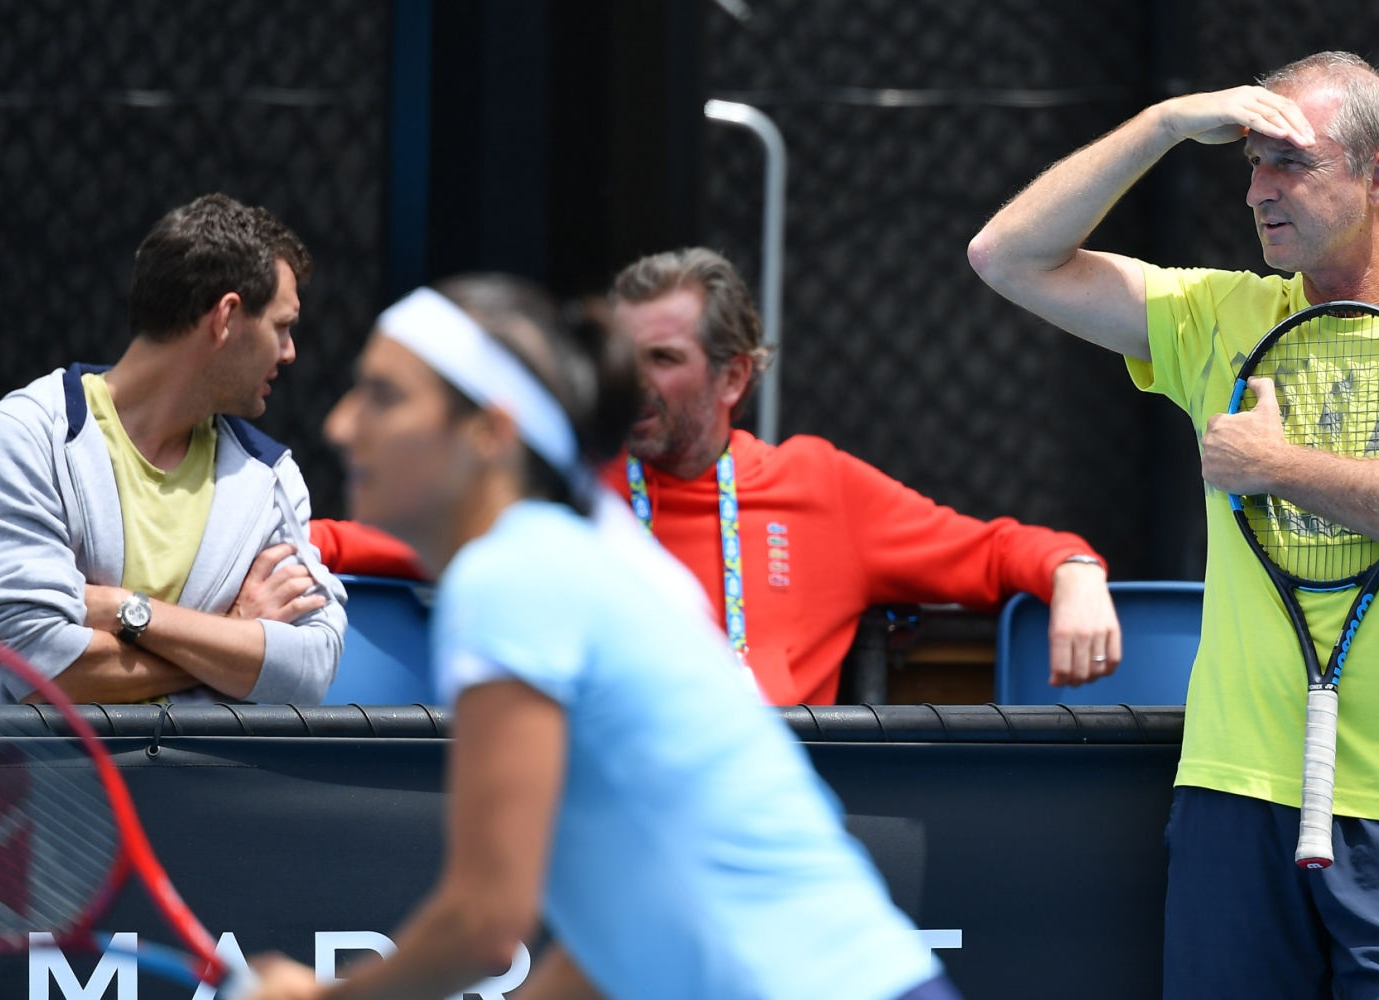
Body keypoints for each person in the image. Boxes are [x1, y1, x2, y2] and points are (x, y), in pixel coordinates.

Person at [968, 52, 1379, 998]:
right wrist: (1161, 121)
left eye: (1290, 164)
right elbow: (1006, 256)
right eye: (1249, 164)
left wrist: (1273, 468)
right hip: (1235, 794)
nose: (1257, 191)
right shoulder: (1218, 314)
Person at [248, 274, 958, 1000]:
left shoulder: (509, 575)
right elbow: (614, 941)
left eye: (385, 396)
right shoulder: (588, 557)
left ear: (489, 432)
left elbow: (485, 925)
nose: (340, 424)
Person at [610, 247, 1121, 705]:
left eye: (662, 359)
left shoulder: (817, 486)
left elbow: (992, 553)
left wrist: (1073, 569)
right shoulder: (571, 486)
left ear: (733, 377)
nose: (631, 381)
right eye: (623, 357)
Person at [0, 193, 345, 705]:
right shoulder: (23, 438)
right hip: (44, 785)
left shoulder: (272, 478)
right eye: (282, 326)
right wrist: (231, 635)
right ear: (225, 317)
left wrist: (126, 610)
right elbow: (41, 664)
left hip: (201, 788)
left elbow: (309, 667)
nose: (290, 352)